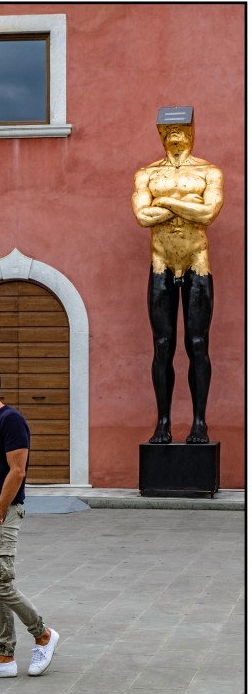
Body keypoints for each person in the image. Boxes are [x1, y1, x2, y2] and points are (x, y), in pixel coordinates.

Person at [132, 106, 224, 445]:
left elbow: (208, 213)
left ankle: (199, 423)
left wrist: (165, 203)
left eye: (183, 129)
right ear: (160, 134)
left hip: (197, 260)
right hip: (161, 262)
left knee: (197, 343)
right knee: (162, 345)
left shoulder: (208, 172)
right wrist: (186, 206)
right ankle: (163, 422)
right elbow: (142, 217)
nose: (176, 134)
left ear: (192, 132)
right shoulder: (147, 174)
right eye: (169, 130)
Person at [0, 365, 58, 678]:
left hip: (0, 514)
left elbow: (17, 470)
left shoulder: (11, 419)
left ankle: (43, 635)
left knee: (2, 586)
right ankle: (4, 658)